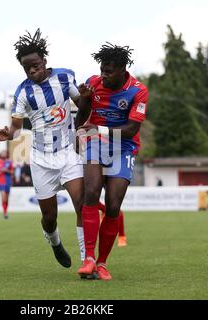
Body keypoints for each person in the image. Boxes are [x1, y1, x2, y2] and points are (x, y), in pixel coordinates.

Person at [0, 29, 87, 270]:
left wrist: (87, 101)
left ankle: (87, 259)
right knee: (49, 217)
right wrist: (10, 134)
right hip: (41, 159)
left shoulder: (66, 78)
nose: (33, 71)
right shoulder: (23, 92)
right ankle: (55, 242)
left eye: (35, 65)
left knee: (82, 204)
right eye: (28, 69)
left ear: (44, 60)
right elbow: (16, 126)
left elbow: (82, 105)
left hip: (68, 153)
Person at [76, 43, 149, 280]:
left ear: (122, 70)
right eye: (101, 70)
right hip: (95, 141)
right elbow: (80, 122)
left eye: (108, 71)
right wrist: (85, 101)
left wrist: (100, 127)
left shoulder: (138, 91)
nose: (103, 75)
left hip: (123, 146)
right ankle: (88, 259)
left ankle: (102, 262)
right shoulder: (93, 83)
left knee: (114, 206)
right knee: (91, 191)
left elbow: (131, 129)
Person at [0, 150, 14, 219]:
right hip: (0, 181)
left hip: (8, 181)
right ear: (0, 154)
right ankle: (4, 213)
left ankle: (5, 212)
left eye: (5, 152)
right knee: (3, 197)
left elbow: (12, 172)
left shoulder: (9, 162)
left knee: (6, 198)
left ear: (6, 154)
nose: (3, 153)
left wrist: (6, 170)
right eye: (2, 152)